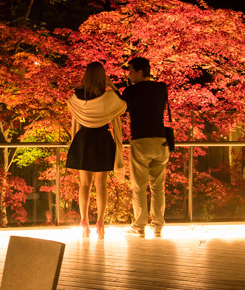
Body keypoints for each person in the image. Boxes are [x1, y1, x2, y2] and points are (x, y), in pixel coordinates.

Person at [66, 62, 127, 239]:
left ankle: (84, 220)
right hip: (102, 139)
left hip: (83, 139)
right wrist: (112, 86)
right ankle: (100, 221)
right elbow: (123, 106)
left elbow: (70, 107)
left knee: (84, 184)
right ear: (102, 77)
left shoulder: (78, 97)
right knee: (101, 184)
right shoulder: (108, 97)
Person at [121, 57, 169, 237]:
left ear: (140, 72)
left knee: (139, 186)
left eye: (131, 71)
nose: (129, 75)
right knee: (158, 185)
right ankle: (157, 226)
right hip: (161, 140)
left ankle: (139, 226)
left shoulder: (131, 91)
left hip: (141, 140)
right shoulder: (161, 88)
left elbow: (121, 108)